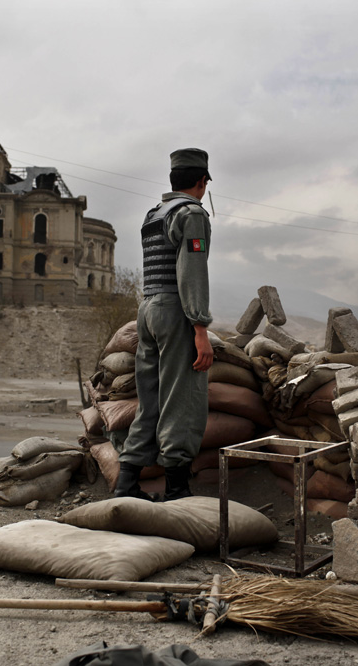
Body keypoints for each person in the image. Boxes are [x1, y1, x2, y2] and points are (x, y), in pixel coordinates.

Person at [115, 148, 214, 502]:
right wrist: (200, 328)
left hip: (147, 309)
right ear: (202, 182)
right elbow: (192, 273)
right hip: (175, 311)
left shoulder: (153, 214)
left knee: (150, 400)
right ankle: (176, 488)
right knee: (182, 398)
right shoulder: (191, 214)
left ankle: (126, 481)